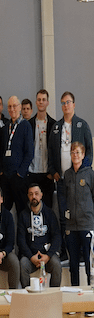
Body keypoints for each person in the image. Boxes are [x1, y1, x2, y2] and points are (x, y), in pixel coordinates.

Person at [49, 91, 93, 252]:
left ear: (74, 104)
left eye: (68, 102)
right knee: (63, 216)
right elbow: (51, 151)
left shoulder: (82, 124)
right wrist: (53, 170)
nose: (65, 105)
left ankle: (81, 251)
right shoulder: (56, 127)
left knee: (79, 215)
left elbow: (89, 151)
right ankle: (65, 251)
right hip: (62, 180)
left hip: (79, 181)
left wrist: (83, 171)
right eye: (63, 103)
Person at [17, 184, 61, 288]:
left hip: (47, 255)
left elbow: (57, 236)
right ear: (28, 196)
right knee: (23, 264)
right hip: (30, 256)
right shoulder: (23, 215)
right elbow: (21, 240)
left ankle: (53, 294)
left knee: (56, 265)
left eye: (36, 194)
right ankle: (27, 296)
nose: (34, 197)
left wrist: (48, 255)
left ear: (41, 195)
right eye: (31, 194)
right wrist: (31, 257)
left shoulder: (50, 213)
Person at [63, 141, 94, 289]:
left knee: (89, 264)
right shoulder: (67, 174)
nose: (75, 155)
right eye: (73, 152)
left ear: (83, 155)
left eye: (78, 152)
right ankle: (74, 298)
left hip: (87, 224)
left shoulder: (89, 173)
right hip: (71, 226)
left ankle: (89, 299)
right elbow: (63, 197)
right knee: (73, 264)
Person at [0, 96, 33, 214]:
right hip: (5, 177)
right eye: (9, 106)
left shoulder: (25, 126)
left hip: (18, 178)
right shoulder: (5, 127)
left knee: (22, 211)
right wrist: (1, 171)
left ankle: (22, 233)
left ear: (19, 108)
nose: (12, 109)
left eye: (14, 106)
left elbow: (30, 152)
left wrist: (20, 173)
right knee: (4, 211)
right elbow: (2, 151)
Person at [27, 89, 56, 208]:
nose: (41, 102)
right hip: (32, 172)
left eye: (44, 100)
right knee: (31, 207)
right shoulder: (28, 124)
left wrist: (52, 172)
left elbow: (55, 151)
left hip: (47, 174)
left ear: (47, 102)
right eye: (39, 100)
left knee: (48, 207)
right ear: (36, 102)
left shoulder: (54, 124)